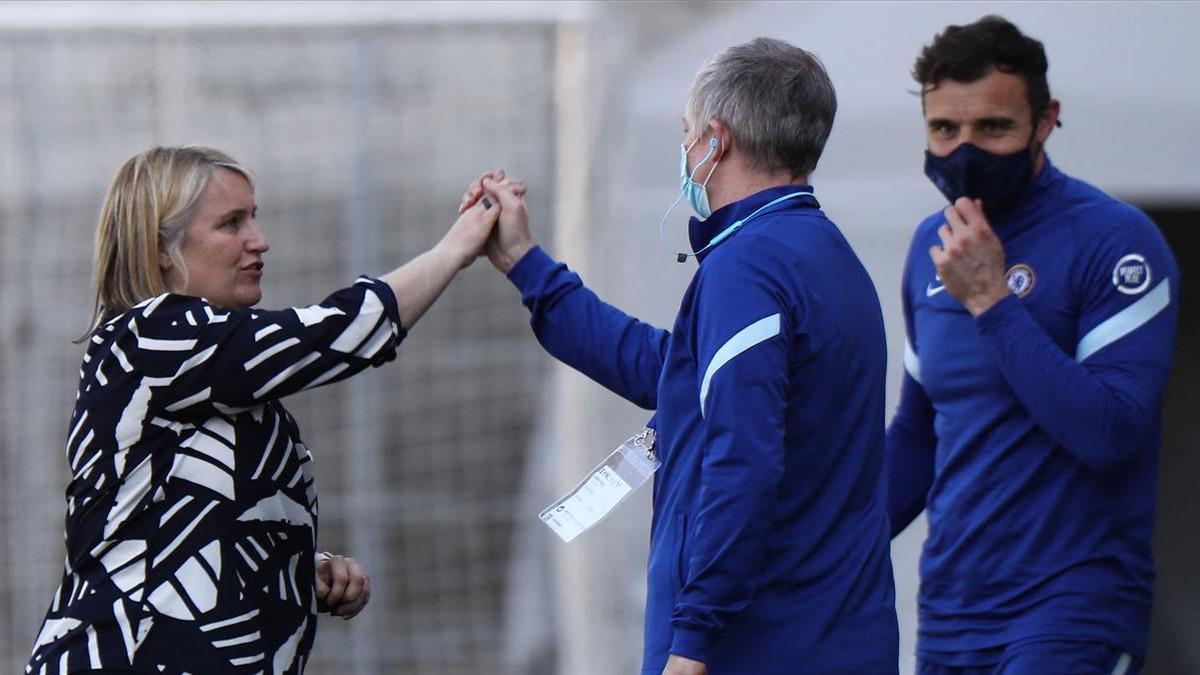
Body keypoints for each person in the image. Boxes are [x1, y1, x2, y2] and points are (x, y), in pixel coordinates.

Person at [464, 37, 898, 675]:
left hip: (760, 646)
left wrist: (691, 643)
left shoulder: (747, 267)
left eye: (687, 134)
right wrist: (531, 270)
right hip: (834, 636)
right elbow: (674, 375)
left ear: (716, 141)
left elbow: (742, 461)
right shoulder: (825, 256)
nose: (685, 151)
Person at [26, 146, 501, 674]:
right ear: (162, 247)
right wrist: (457, 248)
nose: (260, 240)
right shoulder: (148, 338)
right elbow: (332, 335)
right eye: (232, 224)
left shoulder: (207, 372)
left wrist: (297, 568)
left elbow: (180, 529)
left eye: (254, 217)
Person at [886, 16, 1179, 675]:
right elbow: (917, 436)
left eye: (992, 128)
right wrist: (817, 549)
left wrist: (992, 301)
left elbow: (1110, 431)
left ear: (1045, 121)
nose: (964, 150)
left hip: (1072, 610)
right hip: (951, 614)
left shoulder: (1116, 241)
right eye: (943, 130)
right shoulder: (929, 247)